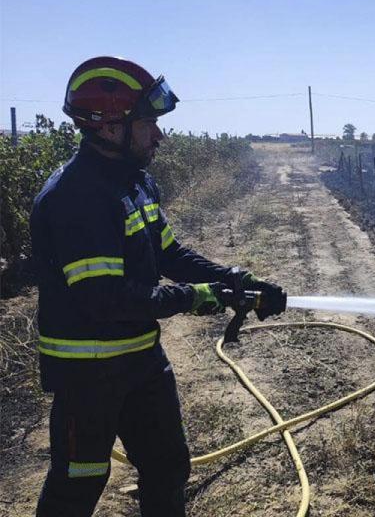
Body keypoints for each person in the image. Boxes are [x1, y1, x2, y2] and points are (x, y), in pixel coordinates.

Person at [31, 56, 287, 516]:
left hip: (141, 361)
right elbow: (106, 301)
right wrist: (193, 298)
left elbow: (169, 254)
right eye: (148, 122)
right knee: (78, 487)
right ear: (109, 127)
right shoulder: (78, 198)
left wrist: (233, 278)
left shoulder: (135, 183)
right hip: (88, 375)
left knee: (169, 468)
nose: (159, 134)